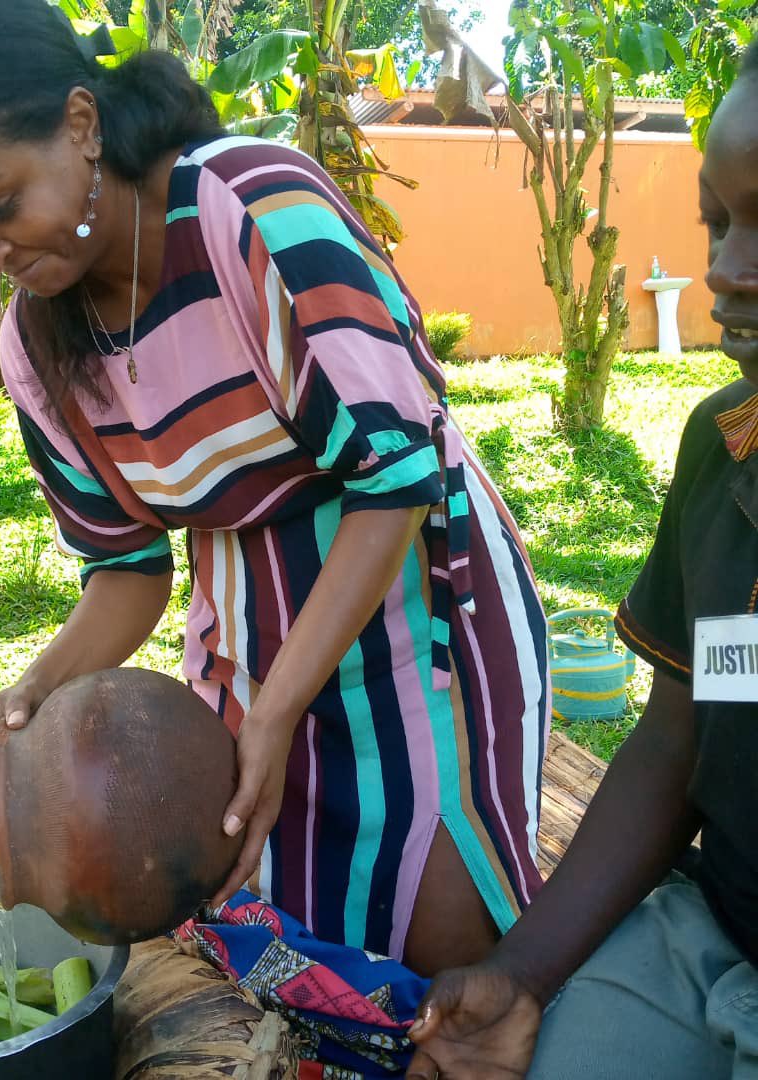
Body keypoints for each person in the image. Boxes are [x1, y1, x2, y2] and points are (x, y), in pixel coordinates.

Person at [0, 0, 550, 976]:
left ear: (80, 125)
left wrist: (275, 718)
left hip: (415, 618)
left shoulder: (257, 210)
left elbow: (393, 482)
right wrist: (29, 697)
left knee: (448, 951)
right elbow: (127, 572)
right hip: (246, 641)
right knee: (304, 959)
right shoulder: (35, 346)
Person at [407, 43, 758, 1079]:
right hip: (716, 936)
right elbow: (675, 733)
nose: (728, 269)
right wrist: (522, 973)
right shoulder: (724, 446)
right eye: (721, 220)